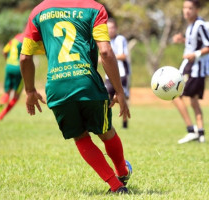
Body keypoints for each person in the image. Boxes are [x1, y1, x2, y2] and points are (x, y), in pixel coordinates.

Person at [20, 0, 132, 194]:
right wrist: (120, 92)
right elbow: (105, 51)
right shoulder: (94, 8)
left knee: (80, 136)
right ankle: (122, 172)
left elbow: (25, 57)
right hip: (87, 82)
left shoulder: (39, 11)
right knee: (106, 130)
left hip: (57, 86)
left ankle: (116, 186)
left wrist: (30, 91)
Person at [172, 0, 209, 144]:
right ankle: (200, 133)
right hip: (191, 67)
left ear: (197, 9)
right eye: (185, 8)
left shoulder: (199, 25)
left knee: (174, 94)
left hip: (195, 69)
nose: (186, 11)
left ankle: (191, 130)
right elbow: (195, 44)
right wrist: (183, 40)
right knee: (194, 101)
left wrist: (194, 55)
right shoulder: (191, 26)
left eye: (190, 8)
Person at [104, 18, 131, 129]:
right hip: (108, 75)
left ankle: (125, 122)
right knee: (105, 97)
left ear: (116, 28)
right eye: (108, 28)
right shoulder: (104, 41)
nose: (110, 30)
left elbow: (123, 55)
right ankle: (106, 122)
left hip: (122, 73)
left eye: (112, 28)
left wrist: (109, 56)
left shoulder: (121, 39)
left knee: (122, 98)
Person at [0, 33, 25, 122]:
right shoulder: (26, 40)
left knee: (7, 92)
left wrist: (8, 60)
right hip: (18, 69)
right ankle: (0, 116)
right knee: (16, 96)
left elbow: (4, 51)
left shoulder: (14, 39)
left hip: (9, 66)